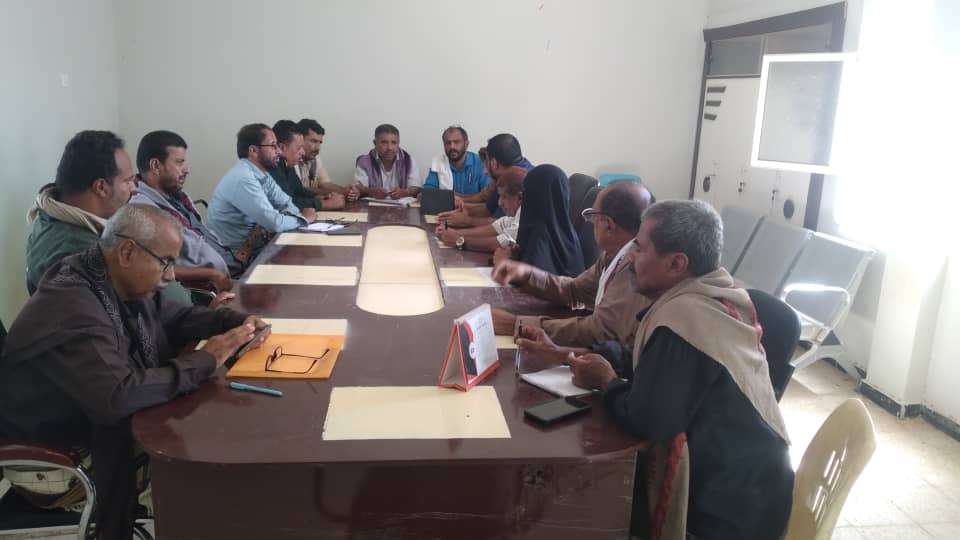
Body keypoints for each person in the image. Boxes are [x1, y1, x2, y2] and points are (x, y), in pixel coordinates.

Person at [0, 204, 271, 539]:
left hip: (91, 423)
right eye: (165, 262)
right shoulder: (73, 305)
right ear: (128, 251)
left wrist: (232, 321)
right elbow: (118, 395)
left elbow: (174, 317)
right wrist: (206, 360)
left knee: (217, 423)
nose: (170, 275)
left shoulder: (107, 276)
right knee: (210, 451)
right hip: (58, 459)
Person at [564, 199, 794, 539]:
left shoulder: (684, 319)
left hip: (727, 512)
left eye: (640, 249)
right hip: (757, 486)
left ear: (676, 264)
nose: (630, 258)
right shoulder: (714, 292)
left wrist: (607, 381)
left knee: (585, 503)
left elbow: (645, 419)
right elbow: (655, 362)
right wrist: (579, 354)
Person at [490, 181, 654, 347]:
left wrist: (517, 325)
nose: (591, 223)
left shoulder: (635, 265)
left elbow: (600, 331)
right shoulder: (614, 253)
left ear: (609, 225)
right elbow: (575, 290)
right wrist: (526, 275)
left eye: (593, 216)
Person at [25, 130, 136, 293]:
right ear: (101, 187)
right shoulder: (80, 255)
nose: (134, 188)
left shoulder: (48, 215)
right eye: (128, 181)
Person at [130, 130, 234, 290]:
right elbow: (153, 268)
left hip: (229, 272)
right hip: (208, 289)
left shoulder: (176, 196)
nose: (186, 170)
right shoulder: (143, 210)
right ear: (156, 166)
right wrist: (213, 274)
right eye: (179, 162)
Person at [207, 123, 316, 270]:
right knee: (303, 265)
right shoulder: (243, 178)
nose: (279, 151)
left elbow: (285, 202)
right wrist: (303, 219)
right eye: (273, 146)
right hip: (237, 261)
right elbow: (273, 222)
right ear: (253, 150)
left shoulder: (261, 173)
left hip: (258, 249)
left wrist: (296, 216)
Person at [438, 133, 533, 227]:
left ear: (494, 163)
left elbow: (499, 225)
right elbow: (488, 208)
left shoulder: (515, 180)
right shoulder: (516, 170)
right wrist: (458, 206)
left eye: (457, 142)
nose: (485, 172)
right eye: (448, 143)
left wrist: (464, 221)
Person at [513, 164, 584, 278]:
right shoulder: (567, 232)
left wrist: (505, 262)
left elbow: (533, 281)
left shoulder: (540, 237)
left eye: (525, 193)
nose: (521, 200)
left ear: (532, 196)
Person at [436, 166, 525, 253]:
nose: (500, 203)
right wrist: (455, 233)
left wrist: (458, 240)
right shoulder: (516, 214)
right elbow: (496, 227)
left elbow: (500, 243)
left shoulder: (525, 216)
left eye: (504, 197)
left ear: (520, 197)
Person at [268, 120, 345, 211]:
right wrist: (325, 204)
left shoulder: (287, 163)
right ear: (282, 147)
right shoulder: (272, 166)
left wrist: (321, 197)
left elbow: (299, 191)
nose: (303, 152)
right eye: (299, 148)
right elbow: (287, 203)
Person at [351, 124, 420, 199]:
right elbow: (358, 187)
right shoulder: (364, 162)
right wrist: (371, 191)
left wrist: (405, 192)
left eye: (394, 143)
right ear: (375, 143)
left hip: (401, 205)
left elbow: (416, 187)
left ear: (398, 143)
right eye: (384, 142)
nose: (390, 148)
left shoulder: (408, 161)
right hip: (373, 205)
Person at [422, 126, 490, 195]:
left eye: (456, 142)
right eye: (448, 143)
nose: (452, 147)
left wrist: (458, 199)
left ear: (466, 144)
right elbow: (429, 193)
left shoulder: (480, 163)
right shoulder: (438, 164)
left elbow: (487, 196)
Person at [296, 118, 349, 196]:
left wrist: (347, 191)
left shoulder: (315, 159)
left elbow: (326, 184)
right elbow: (298, 190)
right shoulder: (292, 159)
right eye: (314, 141)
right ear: (300, 139)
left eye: (320, 142)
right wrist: (327, 193)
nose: (318, 148)